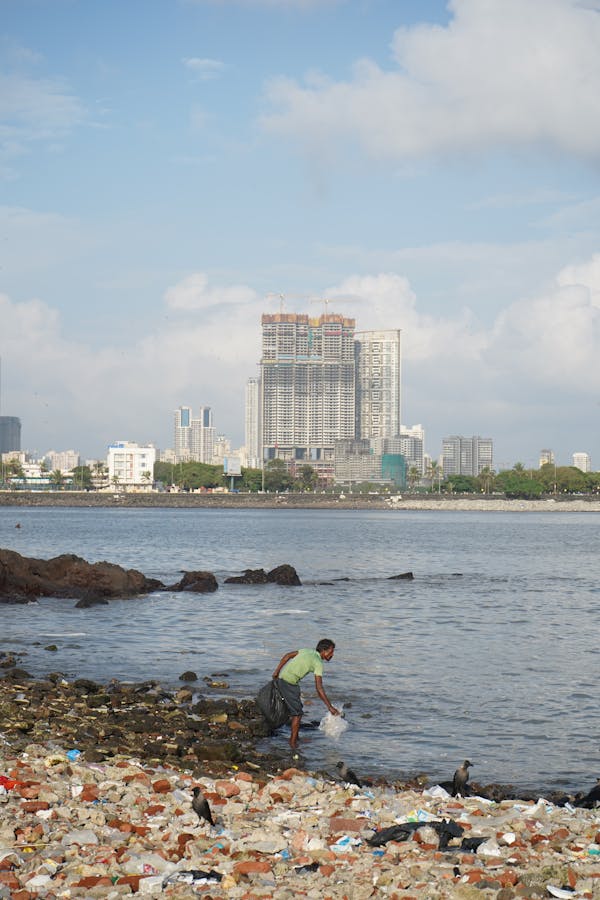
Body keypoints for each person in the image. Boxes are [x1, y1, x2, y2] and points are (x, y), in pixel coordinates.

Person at [272, 638, 340, 749]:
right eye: (331, 651)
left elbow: (287, 656)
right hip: (289, 683)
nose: (332, 654)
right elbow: (319, 688)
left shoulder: (306, 651)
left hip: (283, 679)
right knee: (297, 714)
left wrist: (276, 672)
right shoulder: (318, 662)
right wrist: (330, 707)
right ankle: (293, 743)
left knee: (298, 709)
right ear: (324, 650)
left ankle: (296, 737)